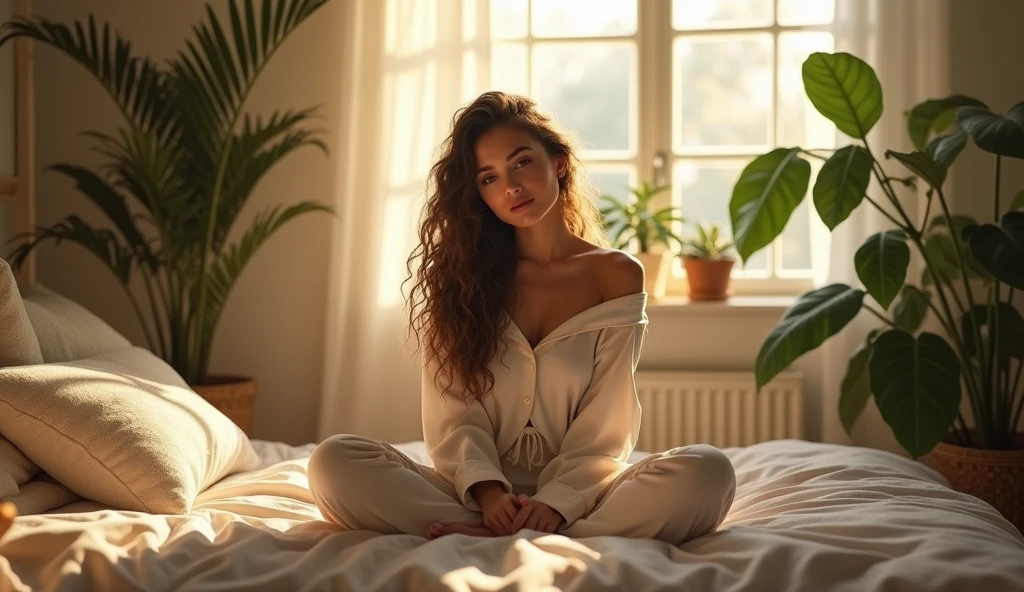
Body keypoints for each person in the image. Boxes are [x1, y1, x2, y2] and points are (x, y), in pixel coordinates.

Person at [308, 91, 736, 544]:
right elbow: (455, 415)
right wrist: (491, 500)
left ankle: (528, 531)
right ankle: (514, 530)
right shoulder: (459, 281)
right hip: (471, 495)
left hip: (581, 495)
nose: (509, 186)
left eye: (522, 163)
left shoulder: (616, 274)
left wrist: (557, 503)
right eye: (489, 178)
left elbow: (606, 422)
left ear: (559, 163)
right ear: (478, 195)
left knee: (708, 472)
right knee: (333, 462)